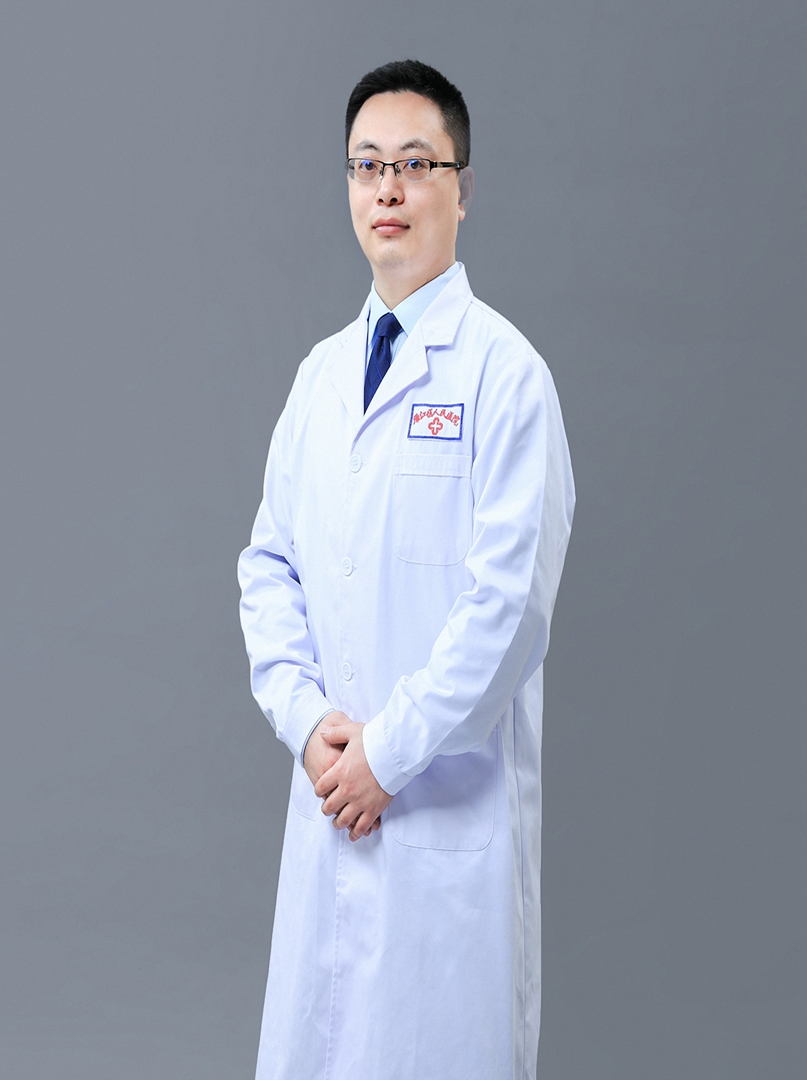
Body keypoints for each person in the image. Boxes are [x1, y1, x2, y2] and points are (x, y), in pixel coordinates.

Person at [238, 59, 575, 1080]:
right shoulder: (320, 378)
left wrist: (386, 756)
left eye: (416, 164)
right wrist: (310, 725)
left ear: (461, 190)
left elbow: (508, 612)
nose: (388, 188)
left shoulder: (506, 378)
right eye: (367, 165)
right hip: (331, 801)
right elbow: (269, 566)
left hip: (440, 831)